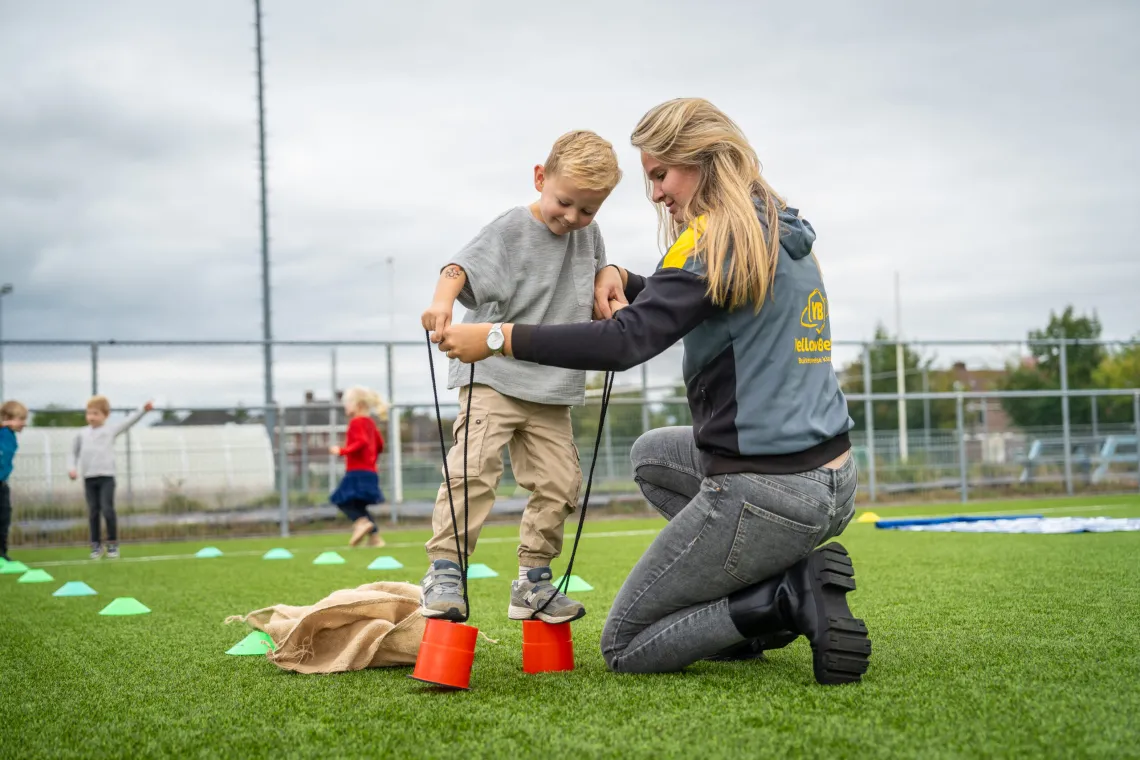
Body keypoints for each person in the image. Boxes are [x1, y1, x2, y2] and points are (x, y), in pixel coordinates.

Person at [435, 98, 870, 685]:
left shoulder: (713, 238)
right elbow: (691, 297)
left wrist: (497, 337)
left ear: (703, 160)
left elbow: (626, 342)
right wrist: (624, 278)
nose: (657, 193)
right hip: (834, 481)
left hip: (771, 489)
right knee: (652, 457)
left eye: (662, 174)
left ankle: (780, 600)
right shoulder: (777, 225)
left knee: (627, 644)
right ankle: (759, 600)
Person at [418, 130, 622, 624]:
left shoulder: (590, 236)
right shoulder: (512, 227)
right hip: (494, 375)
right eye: (564, 202)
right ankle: (445, 570)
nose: (572, 217)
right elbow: (458, 267)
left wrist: (609, 292)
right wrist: (442, 305)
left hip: (551, 388)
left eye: (587, 209)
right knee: (473, 470)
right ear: (540, 178)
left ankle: (533, 581)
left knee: (561, 482)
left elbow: (591, 284)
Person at [69, 396, 153, 559]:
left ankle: (112, 544)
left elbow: (129, 421)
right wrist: (71, 468)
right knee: (93, 512)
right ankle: (95, 545)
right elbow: (73, 453)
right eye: (89, 413)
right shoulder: (81, 434)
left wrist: (143, 410)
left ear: (105, 415)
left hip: (107, 477)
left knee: (107, 509)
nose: (91, 417)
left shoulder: (110, 431)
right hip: (89, 478)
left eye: (96, 413)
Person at [329, 385, 388, 548]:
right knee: (359, 506)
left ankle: (361, 523)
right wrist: (371, 459)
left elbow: (361, 442)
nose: (345, 406)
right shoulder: (370, 423)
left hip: (356, 472)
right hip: (370, 472)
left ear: (359, 405)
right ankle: (375, 538)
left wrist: (342, 451)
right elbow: (380, 445)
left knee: (340, 500)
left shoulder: (356, 422)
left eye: (348, 403)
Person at [0, 400, 29, 562]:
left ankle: (2, 553)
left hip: (2, 484)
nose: (24, 423)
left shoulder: (11, 437)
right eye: (21, 419)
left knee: (4, 518)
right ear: (7, 418)